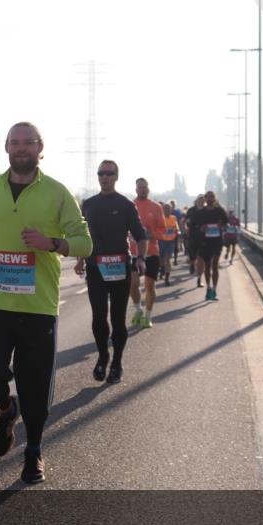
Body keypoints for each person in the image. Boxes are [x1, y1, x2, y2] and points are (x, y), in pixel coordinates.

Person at [0, 122, 92, 484]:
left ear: (41, 148)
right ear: (6, 147)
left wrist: (52, 243)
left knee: (35, 386)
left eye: (28, 143)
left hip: (38, 306)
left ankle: (34, 450)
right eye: (15, 143)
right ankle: (8, 409)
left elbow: (84, 242)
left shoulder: (57, 192)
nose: (21, 148)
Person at [74, 160, 146, 384]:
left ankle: (117, 362)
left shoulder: (125, 204)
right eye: (101, 173)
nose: (104, 177)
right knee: (98, 317)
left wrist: (141, 259)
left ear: (116, 176)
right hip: (95, 267)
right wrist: (79, 260)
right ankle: (103, 356)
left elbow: (140, 235)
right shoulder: (88, 204)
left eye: (109, 173)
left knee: (117, 318)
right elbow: (82, 236)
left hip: (120, 267)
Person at [130, 178, 165, 329]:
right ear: (136, 189)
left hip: (151, 252)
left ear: (148, 189)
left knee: (150, 286)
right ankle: (138, 309)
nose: (142, 190)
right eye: (140, 187)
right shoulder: (130, 206)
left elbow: (163, 230)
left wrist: (153, 234)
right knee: (133, 284)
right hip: (132, 252)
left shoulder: (156, 207)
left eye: (145, 187)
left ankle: (148, 316)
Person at [192, 191, 228, 300]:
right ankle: (208, 288)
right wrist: (201, 228)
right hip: (205, 242)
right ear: (205, 199)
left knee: (215, 265)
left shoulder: (219, 210)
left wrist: (222, 226)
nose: (210, 199)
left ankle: (215, 290)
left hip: (217, 241)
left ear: (215, 198)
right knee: (207, 267)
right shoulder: (201, 212)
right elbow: (193, 224)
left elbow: (226, 222)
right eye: (208, 197)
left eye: (212, 197)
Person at [158, 202, 179, 287]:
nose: (166, 210)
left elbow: (175, 227)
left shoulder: (173, 218)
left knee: (168, 259)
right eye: (165, 209)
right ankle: (162, 268)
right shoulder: (159, 218)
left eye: (168, 209)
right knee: (161, 258)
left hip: (170, 241)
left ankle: (167, 278)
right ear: (162, 210)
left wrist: (176, 230)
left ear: (171, 210)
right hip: (161, 240)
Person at [184, 196, 205, 279]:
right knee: (193, 255)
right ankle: (192, 264)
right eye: (199, 201)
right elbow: (185, 220)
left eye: (202, 201)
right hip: (193, 235)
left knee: (201, 258)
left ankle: (199, 278)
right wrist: (186, 226)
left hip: (204, 237)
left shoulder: (206, 210)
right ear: (196, 201)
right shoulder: (191, 210)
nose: (201, 202)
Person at [169, 199, 183, 266]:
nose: (172, 206)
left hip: (175, 230)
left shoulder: (177, 212)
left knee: (175, 246)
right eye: (171, 204)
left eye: (173, 204)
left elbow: (179, 222)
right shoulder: (166, 211)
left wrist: (180, 230)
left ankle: (175, 259)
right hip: (166, 232)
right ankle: (167, 259)